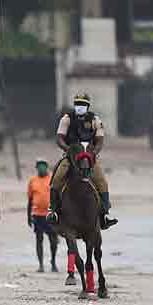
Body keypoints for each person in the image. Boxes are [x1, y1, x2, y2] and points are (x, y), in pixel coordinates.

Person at [48, 92, 118, 229]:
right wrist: (67, 149)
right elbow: (59, 138)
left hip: (89, 157)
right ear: (75, 105)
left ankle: (105, 214)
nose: (80, 107)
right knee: (57, 178)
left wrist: (93, 154)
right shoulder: (66, 119)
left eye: (83, 105)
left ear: (88, 106)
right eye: (78, 104)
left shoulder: (95, 120)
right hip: (71, 157)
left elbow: (99, 141)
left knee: (102, 181)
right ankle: (53, 210)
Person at [28, 159, 59, 272]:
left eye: (43, 166)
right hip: (37, 214)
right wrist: (28, 216)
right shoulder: (32, 181)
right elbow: (30, 200)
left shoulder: (53, 179)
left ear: (47, 167)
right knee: (39, 239)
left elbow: (57, 197)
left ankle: (53, 262)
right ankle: (41, 264)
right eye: (39, 166)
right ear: (36, 168)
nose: (41, 168)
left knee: (53, 240)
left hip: (50, 214)